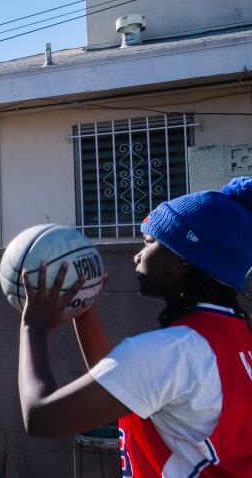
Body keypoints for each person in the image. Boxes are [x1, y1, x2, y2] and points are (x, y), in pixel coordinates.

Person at [18, 176, 252, 476]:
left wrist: (32, 329)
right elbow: (125, 384)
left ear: (184, 258)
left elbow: (41, 418)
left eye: (150, 242)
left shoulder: (172, 351)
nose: (137, 255)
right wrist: (84, 312)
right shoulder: (236, 335)